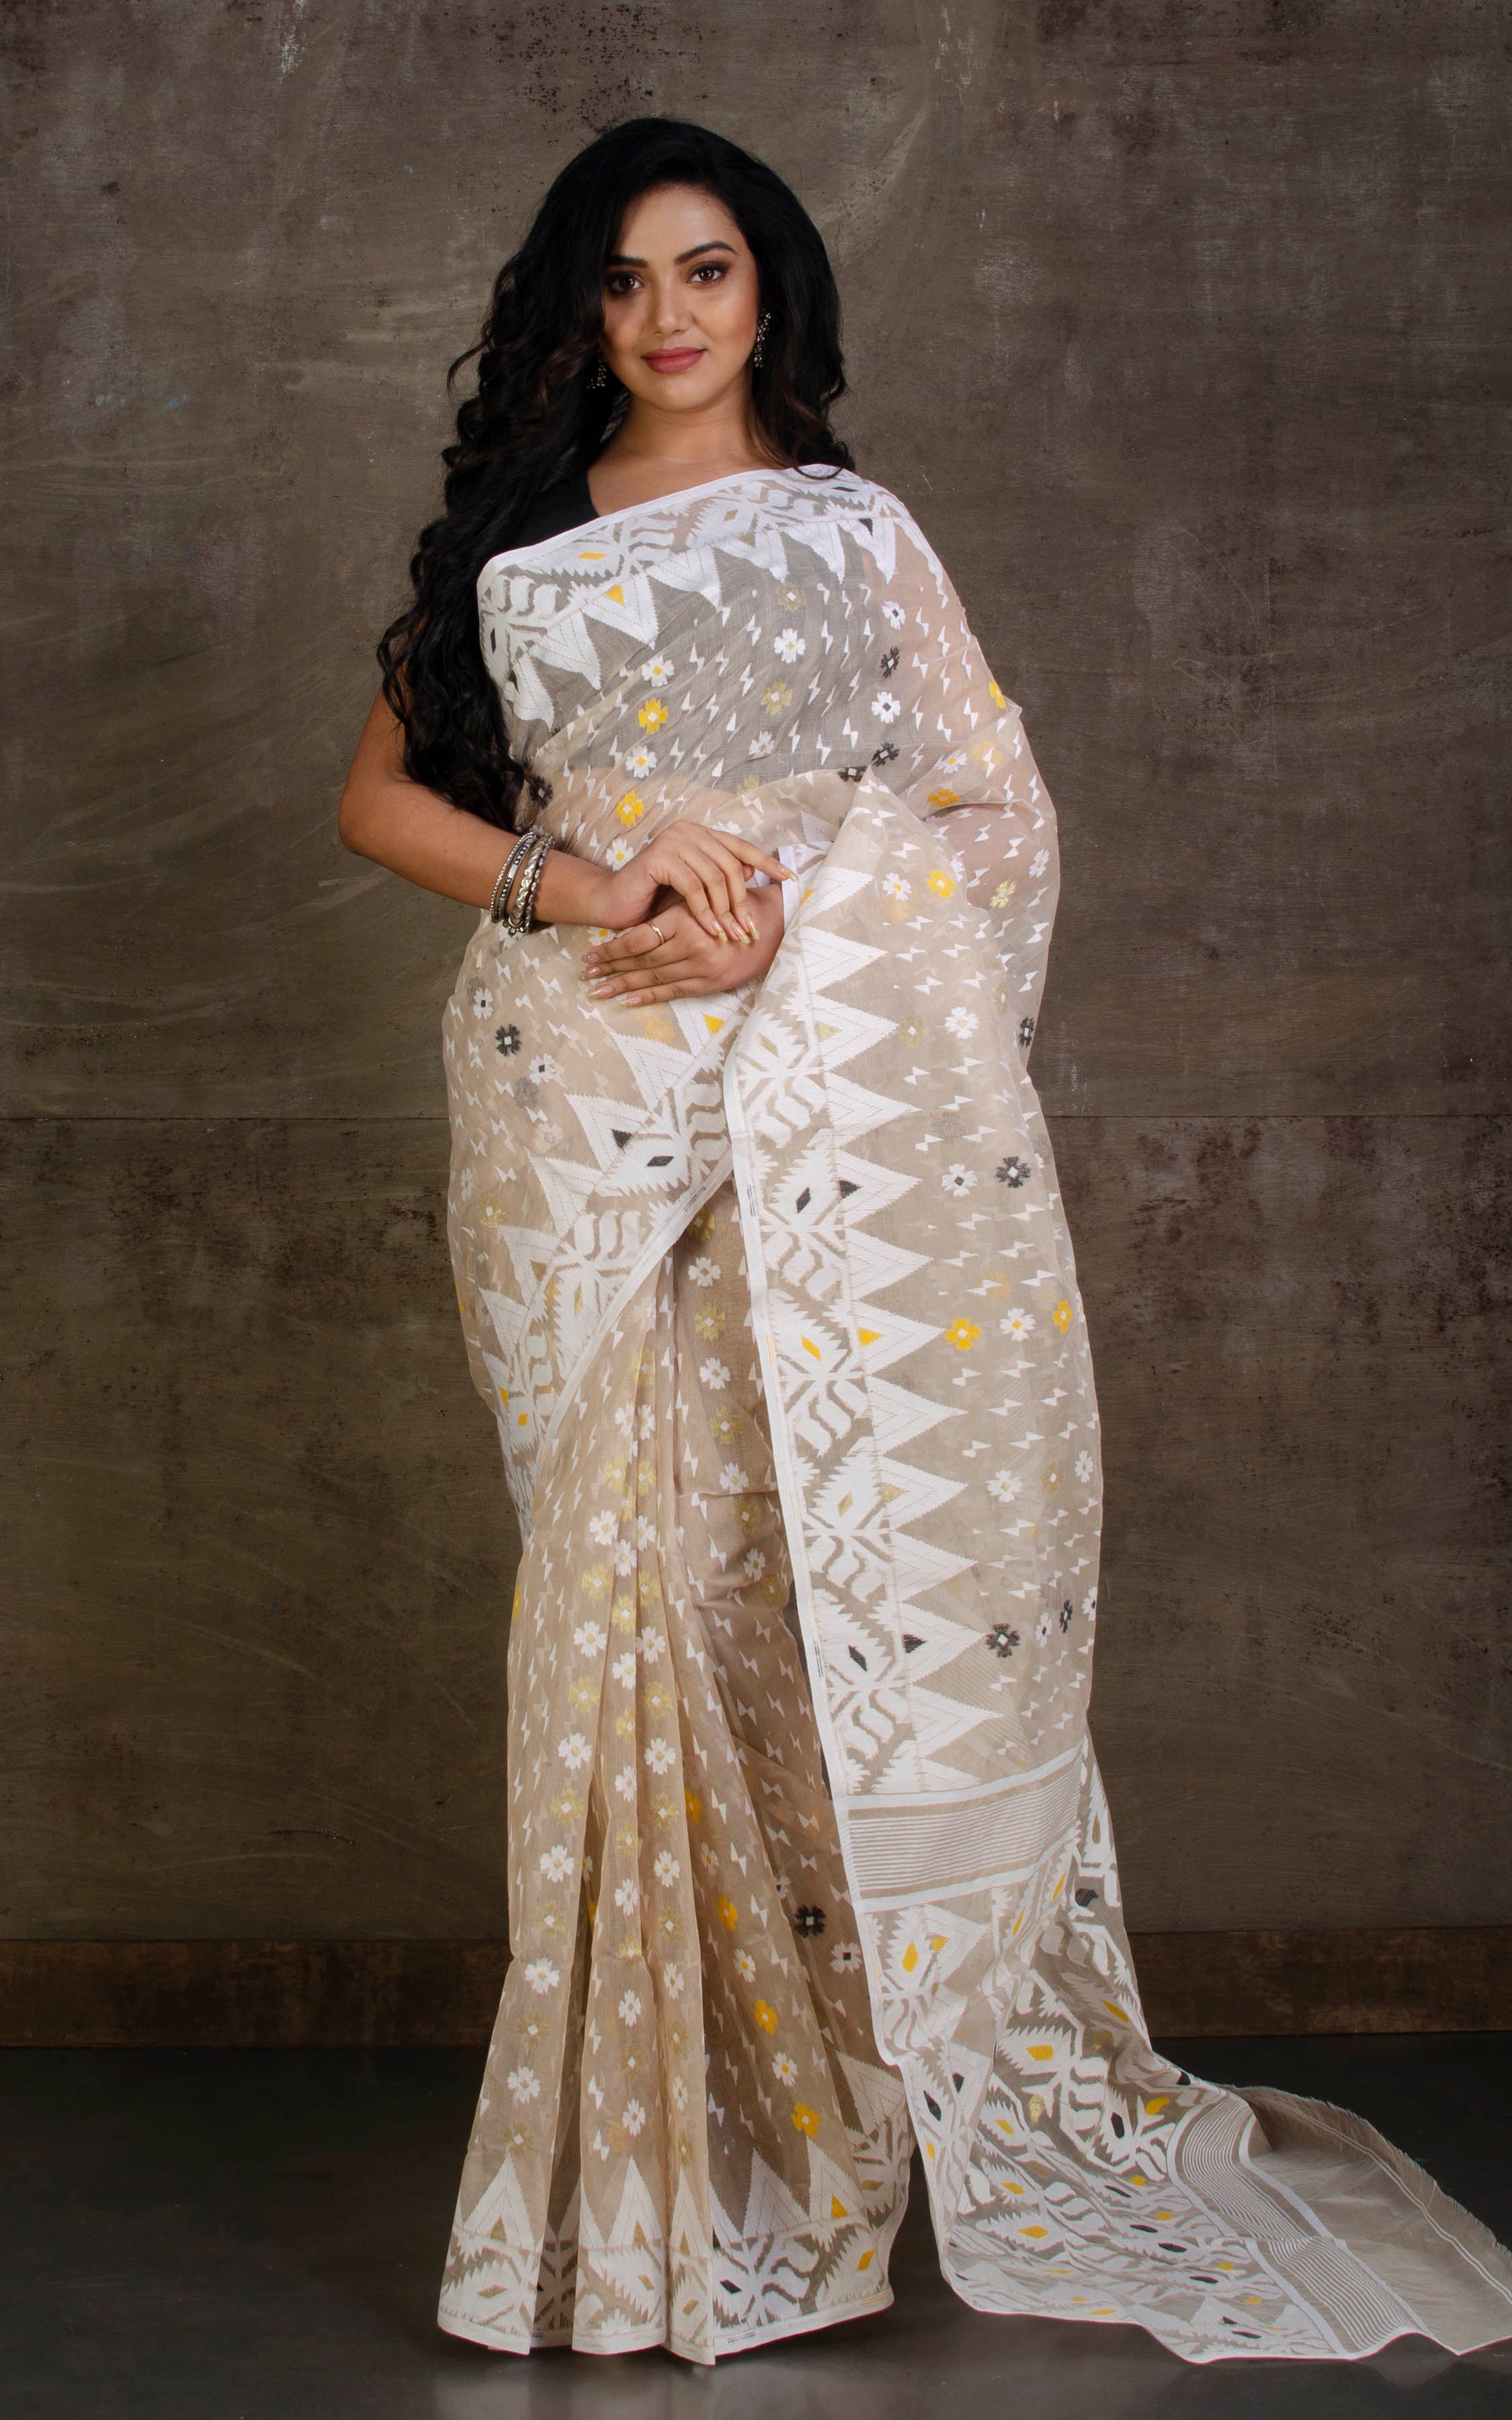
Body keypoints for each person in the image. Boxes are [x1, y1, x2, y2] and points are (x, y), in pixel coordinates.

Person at [338, 116, 1512, 2369]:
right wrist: (597, 888)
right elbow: (381, 798)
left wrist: (793, 916)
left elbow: (985, 811)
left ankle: (823, 2141)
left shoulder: (853, 536)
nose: (665, 317)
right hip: (579, 1113)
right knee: (628, 1602)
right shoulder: (517, 544)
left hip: (828, 1126)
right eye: (621, 279)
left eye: (704, 270)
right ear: (576, 310)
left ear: (768, 289)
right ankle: (651, 2171)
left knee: (792, 1595)